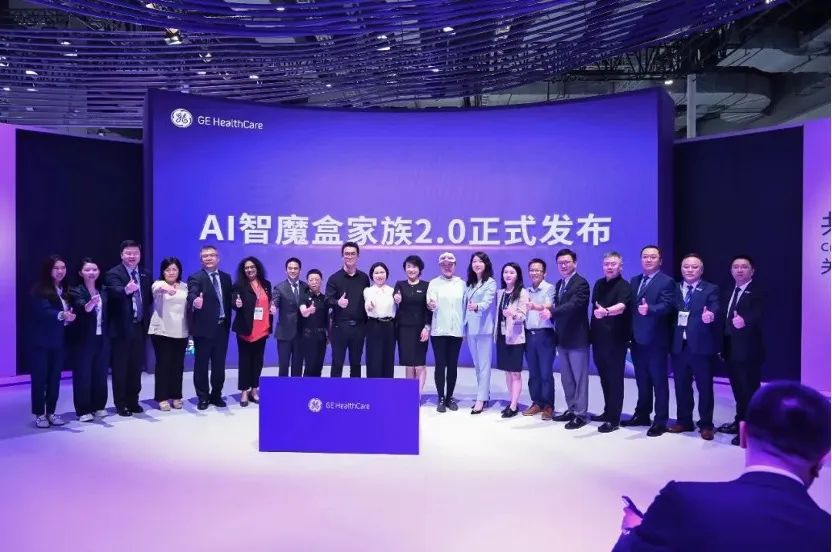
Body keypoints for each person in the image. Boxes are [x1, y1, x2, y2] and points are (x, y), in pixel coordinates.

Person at [614, 381, 831, 552]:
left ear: (743, 434)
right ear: (823, 458)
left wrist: (632, 531)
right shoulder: (825, 533)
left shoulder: (683, 502)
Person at [624, 245, 675, 436]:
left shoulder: (667, 281)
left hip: (656, 341)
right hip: (637, 340)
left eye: (653, 257)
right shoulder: (635, 280)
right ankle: (642, 414)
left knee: (659, 382)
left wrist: (650, 309)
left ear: (660, 261)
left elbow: (668, 305)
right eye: (645, 256)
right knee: (642, 380)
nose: (648, 260)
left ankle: (660, 420)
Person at [669, 254, 720, 440]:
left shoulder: (710, 289)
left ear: (701, 270)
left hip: (701, 347)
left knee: (704, 387)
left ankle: (706, 424)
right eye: (686, 267)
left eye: (694, 267)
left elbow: (715, 307)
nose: (690, 270)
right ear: (681, 269)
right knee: (681, 386)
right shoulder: (673, 288)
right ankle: (684, 421)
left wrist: (711, 315)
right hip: (679, 346)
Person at [719, 255, 765, 446]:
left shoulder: (759, 291)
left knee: (750, 391)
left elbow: (763, 315)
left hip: (749, 350)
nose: (739, 270)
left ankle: (751, 430)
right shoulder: (728, 290)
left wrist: (746, 321)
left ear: (752, 271)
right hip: (730, 349)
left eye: (744, 267)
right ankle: (739, 422)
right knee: (738, 390)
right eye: (735, 267)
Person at [541, 249, 590, 429]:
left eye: (567, 262)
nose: (563, 265)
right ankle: (571, 409)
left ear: (575, 263)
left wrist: (552, 312)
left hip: (577, 338)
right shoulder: (560, 284)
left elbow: (574, 305)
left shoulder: (581, 283)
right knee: (567, 379)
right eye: (560, 263)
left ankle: (581, 414)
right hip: (562, 338)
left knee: (579, 379)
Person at [105, 240, 152, 417]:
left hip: (139, 326)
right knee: (120, 368)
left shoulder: (145, 274)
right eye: (128, 253)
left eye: (135, 253)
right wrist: (125, 290)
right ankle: (121, 403)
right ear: (121, 255)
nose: (132, 256)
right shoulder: (113, 273)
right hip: (121, 329)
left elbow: (148, 299)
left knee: (135, 367)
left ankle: (133, 401)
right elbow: (113, 291)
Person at [29, 254, 76, 428]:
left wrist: (70, 315)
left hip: (59, 341)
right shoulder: (39, 289)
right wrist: (62, 314)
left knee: (55, 378)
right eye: (56, 268)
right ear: (48, 270)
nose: (60, 271)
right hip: (41, 342)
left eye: (63, 268)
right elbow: (43, 311)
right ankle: (39, 414)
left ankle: (51, 412)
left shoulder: (65, 289)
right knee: (40, 378)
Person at [590, 252, 633, 433]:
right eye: (606, 263)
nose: (609, 267)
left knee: (615, 380)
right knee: (604, 378)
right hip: (598, 338)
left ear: (620, 267)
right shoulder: (599, 284)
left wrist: (606, 311)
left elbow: (622, 307)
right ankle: (607, 411)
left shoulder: (625, 286)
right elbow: (595, 305)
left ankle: (614, 419)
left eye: (613, 264)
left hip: (616, 340)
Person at [187, 244, 232, 410]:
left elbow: (230, 298)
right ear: (201, 260)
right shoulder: (196, 277)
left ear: (218, 258)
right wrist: (194, 300)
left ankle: (216, 395)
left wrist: (237, 302)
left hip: (222, 328)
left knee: (219, 365)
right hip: (203, 329)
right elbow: (192, 292)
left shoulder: (226, 278)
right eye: (205, 256)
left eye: (212, 255)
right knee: (201, 365)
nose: (209, 258)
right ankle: (203, 397)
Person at [68, 257, 109, 421]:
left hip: (102, 337)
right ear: (80, 273)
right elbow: (81, 307)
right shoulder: (75, 290)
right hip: (83, 338)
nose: (91, 272)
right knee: (83, 374)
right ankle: (83, 409)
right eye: (87, 270)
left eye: (94, 269)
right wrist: (90, 304)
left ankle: (99, 405)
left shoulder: (103, 289)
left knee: (101, 372)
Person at [148, 257, 189, 411]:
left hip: (181, 331)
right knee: (163, 365)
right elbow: (157, 289)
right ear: (163, 272)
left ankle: (176, 396)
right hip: (162, 331)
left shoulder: (185, 286)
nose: (171, 272)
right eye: (168, 270)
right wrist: (167, 288)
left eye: (174, 269)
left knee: (178, 366)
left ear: (179, 271)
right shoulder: (158, 284)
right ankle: (162, 397)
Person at [427, 252, 466, 413]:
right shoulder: (434, 283)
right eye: (444, 265)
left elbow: (465, 306)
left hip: (456, 331)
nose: (447, 267)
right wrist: (431, 305)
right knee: (440, 364)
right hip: (439, 330)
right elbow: (430, 303)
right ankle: (441, 398)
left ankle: (450, 397)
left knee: (452, 365)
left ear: (455, 266)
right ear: (440, 266)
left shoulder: (462, 284)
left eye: (450, 265)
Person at [231, 256, 272, 406]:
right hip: (246, 329)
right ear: (243, 270)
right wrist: (236, 303)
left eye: (252, 267)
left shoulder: (266, 284)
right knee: (245, 362)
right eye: (246, 268)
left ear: (257, 268)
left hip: (262, 329)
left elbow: (269, 302)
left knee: (257, 362)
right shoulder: (239, 285)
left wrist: (272, 307)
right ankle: (244, 391)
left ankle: (254, 390)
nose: (249, 270)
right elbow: (233, 301)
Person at [326, 242, 370, 378]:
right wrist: (337, 302)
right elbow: (327, 300)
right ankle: (334, 390)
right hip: (339, 327)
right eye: (346, 254)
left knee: (356, 363)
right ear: (342, 256)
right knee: (337, 362)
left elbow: (367, 298)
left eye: (353, 254)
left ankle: (355, 390)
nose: (349, 256)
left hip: (359, 327)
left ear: (358, 256)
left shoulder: (364, 278)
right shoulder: (334, 278)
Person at [463, 252, 497, 414]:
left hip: (484, 329)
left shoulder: (491, 283)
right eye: (474, 261)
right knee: (477, 364)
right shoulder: (469, 284)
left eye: (480, 261)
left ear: (486, 264)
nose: (477, 264)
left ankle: (481, 399)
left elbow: (487, 302)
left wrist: (477, 306)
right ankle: (484, 394)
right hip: (471, 327)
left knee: (484, 365)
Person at [523, 258, 556, 420]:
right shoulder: (526, 291)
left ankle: (548, 405)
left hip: (545, 334)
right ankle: (537, 402)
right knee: (533, 372)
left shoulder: (550, 288)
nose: (534, 273)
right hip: (529, 335)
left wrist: (536, 306)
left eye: (538, 270)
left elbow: (549, 305)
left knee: (545, 372)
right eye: (532, 270)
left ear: (544, 273)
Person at [495, 262, 529, 418]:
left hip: (515, 338)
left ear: (517, 275)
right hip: (502, 336)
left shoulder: (522, 292)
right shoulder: (500, 292)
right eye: (505, 272)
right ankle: (511, 401)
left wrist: (513, 314)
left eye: (512, 272)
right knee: (507, 372)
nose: (508, 275)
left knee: (515, 373)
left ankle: (514, 406)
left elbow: (523, 315)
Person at [393, 256, 431, 395]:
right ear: (405, 269)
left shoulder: (426, 286)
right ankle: (410, 394)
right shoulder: (400, 284)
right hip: (403, 329)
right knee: (409, 363)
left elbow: (429, 309)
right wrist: (396, 299)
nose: (411, 269)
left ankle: (418, 395)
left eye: (414, 266)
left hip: (421, 329)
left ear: (419, 269)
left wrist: (427, 327)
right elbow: (395, 297)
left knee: (419, 363)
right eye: (408, 266)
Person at [273, 257, 306, 377]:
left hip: (301, 334)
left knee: (298, 367)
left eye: (295, 268)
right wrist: (273, 307)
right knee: (283, 366)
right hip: (284, 334)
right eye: (290, 268)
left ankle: (296, 389)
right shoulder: (279, 287)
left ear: (300, 270)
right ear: (285, 270)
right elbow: (275, 302)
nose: (293, 271)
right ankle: (283, 389)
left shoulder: (305, 287)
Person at [364, 261, 396, 378]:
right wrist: (369, 306)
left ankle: (387, 386)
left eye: (382, 272)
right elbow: (368, 303)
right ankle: (373, 385)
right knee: (374, 358)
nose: (379, 275)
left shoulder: (393, 291)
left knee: (388, 357)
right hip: (374, 325)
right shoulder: (368, 290)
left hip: (389, 326)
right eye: (376, 273)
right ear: (372, 275)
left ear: (386, 274)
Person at [299, 269, 329, 377]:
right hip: (308, 336)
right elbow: (303, 311)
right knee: (310, 366)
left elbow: (327, 318)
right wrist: (308, 310)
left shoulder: (325, 298)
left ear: (321, 281)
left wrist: (329, 335)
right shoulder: (303, 296)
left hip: (321, 336)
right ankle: (306, 387)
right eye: (311, 280)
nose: (314, 282)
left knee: (318, 366)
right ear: (307, 281)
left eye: (317, 279)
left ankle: (317, 387)